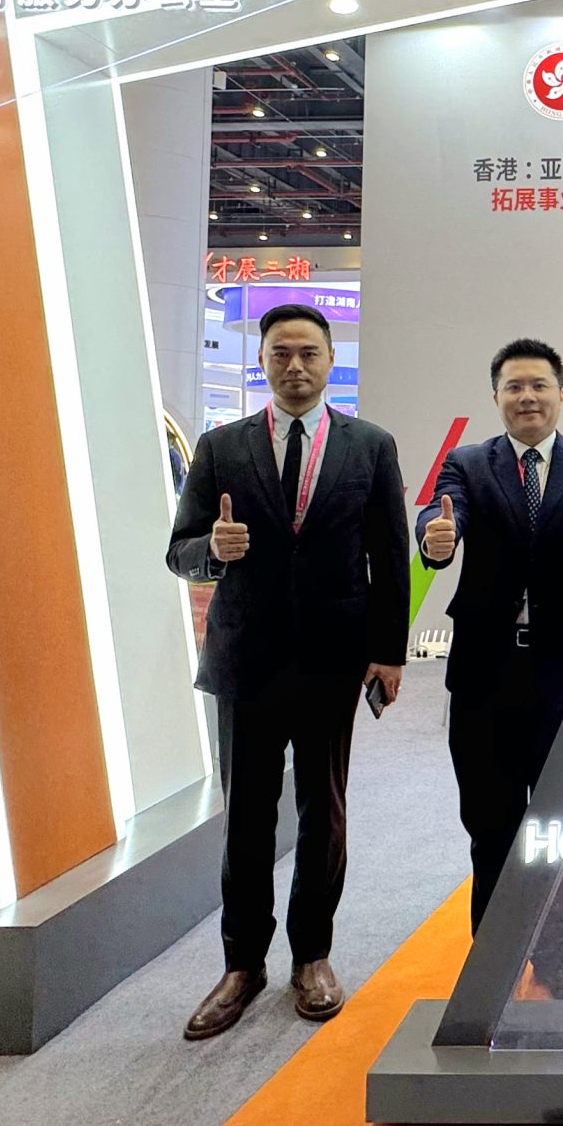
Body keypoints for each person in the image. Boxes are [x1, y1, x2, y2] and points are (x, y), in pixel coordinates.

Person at [165, 303, 409, 1041]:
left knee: (322, 810)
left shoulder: (370, 445)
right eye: (280, 354)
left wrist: (389, 651)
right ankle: (242, 964)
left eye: (308, 353)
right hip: (247, 658)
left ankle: (312, 956)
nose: (295, 366)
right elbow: (179, 550)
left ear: (330, 360)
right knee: (246, 814)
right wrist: (214, 550)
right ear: (263, 361)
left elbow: (389, 556)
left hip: (333, 658)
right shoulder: (221, 447)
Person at [416, 337, 563, 999]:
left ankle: (560, 957)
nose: (527, 397)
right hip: (486, 677)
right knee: (491, 825)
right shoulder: (469, 463)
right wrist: (435, 537)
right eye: (513, 387)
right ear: (496, 396)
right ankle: (494, 957)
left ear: (561, 394)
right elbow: (442, 513)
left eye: (538, 386)